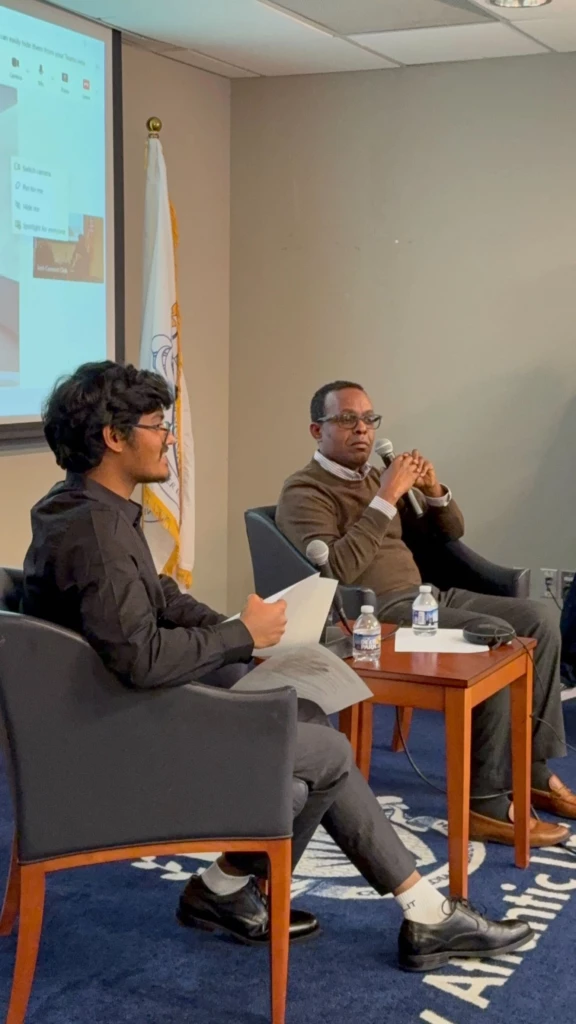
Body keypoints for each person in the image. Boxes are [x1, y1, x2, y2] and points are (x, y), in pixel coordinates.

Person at [23, 362, 533, 973]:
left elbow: (155, 597)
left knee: (305, 715)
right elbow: (142, 657)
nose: (169, 439)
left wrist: (246, 629)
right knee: (323, 753)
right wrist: (238, 636)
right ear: (113, 436)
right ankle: (424, 913)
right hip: (121, 732)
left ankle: (222, 890)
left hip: (119, 703)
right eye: (159, 426)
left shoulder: (89, 509)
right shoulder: (95, 533)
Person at [276, 379, 576, 846]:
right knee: (494, 637)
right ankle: (488, 804)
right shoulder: (304, 491)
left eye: (370, 419)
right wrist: (384, 499)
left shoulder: (378, 477)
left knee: (539, 617)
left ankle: (531, 770)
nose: (363, 430)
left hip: (426, 598)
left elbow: (449, 534)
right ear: (317, 430)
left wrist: (433, 491)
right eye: (347, 419)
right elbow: (337, 569)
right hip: (375, 614)